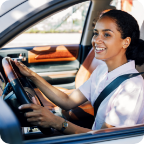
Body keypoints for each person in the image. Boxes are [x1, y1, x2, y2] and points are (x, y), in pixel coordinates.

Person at [16, 9, 144, 134]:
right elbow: (68, 100)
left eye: (106, 34)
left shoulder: (132, 87)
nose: (96, 40)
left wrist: (57, 122)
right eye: (95, 33)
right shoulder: (102, 70)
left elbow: (107, 138)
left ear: (126, 42)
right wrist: (31, 75)